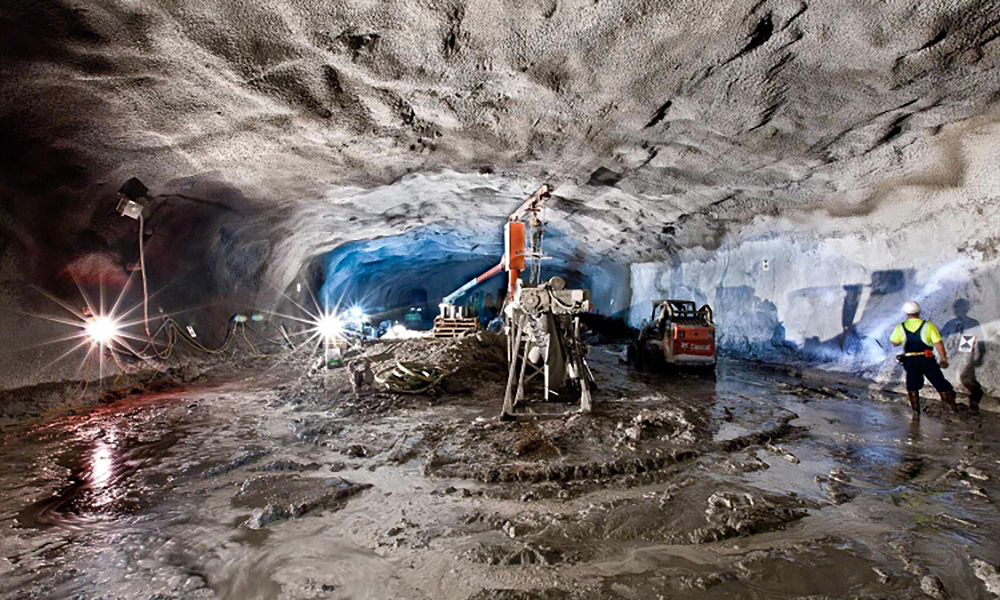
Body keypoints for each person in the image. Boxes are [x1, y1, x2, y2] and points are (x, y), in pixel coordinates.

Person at [890, 301, 955, 413]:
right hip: (927, 359)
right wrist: (943, 358)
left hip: (910, 360)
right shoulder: (928, 325)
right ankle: (951, 409)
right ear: (919, 311)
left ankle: (916, 413)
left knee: (912, 385)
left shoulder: (901, 327)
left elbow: (895, 343)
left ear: (906, 313)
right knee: (939, 382)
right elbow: (938, 343)